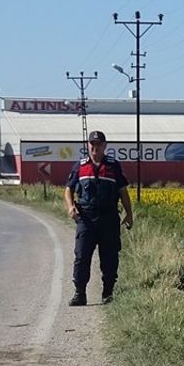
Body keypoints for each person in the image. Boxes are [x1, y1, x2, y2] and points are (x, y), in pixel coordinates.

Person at [64, 130, 133, 306]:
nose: (95, 148)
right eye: (92, 144)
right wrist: (71, 207)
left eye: (99, 144)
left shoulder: (113, 166)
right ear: (88, 145)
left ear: (104, 146)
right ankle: (80, 293)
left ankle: (108, 293)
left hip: (108, 218)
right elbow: (68, 189)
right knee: (81, 256)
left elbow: (123, 192)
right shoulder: (80, 166)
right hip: (86, 219)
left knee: (110, 257)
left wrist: (129, 213)